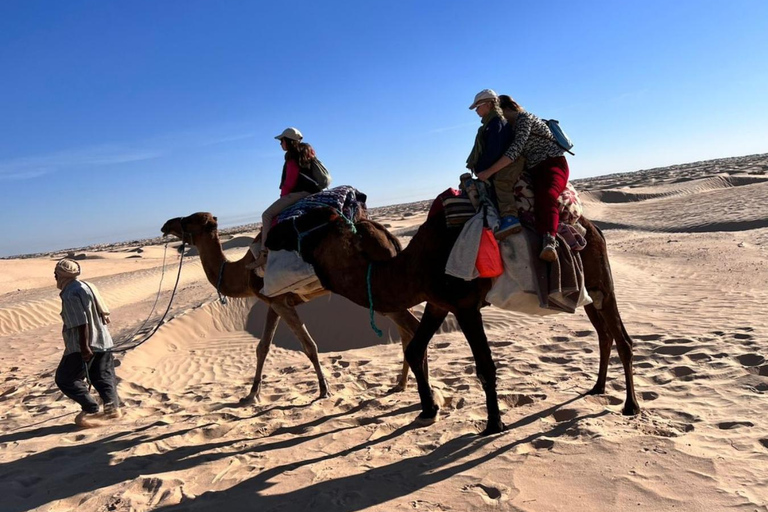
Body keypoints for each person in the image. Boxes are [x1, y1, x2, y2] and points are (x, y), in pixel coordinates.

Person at [477, 94, 570, 262]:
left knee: (547, 195)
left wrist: (488, 172)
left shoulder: (524, 119)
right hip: (533, 169)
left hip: (552, 164)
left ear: (504, 109)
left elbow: (514, 151)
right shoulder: (509, 127)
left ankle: (549, 240)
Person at [54, 258, 120, 427]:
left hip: (82, 345)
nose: (55, 277)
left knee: (65, 378)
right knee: (102, 375)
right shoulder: (87, 285)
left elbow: (80, 322)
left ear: (63, 275)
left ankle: (90, 408)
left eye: (56, 273)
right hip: (103, 340)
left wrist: (84, 347)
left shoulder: (70, 293)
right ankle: (113, 410)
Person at [252, 127, 324, 268]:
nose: (280, 144)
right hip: (313, 192)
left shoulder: (292, 157)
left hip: (298, 194)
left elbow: (289, 182)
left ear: (288, 141)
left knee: (267, 215)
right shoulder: (307, 153)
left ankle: (263, 254)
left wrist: (282, 198)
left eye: (282, 141)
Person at [465, 89, 521, 239]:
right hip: (496, 164)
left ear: (489, 104)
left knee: (500, 184)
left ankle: (510, 218)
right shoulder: (490, 124)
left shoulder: (496, 123)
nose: (476, 110)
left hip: (506, 164)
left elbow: (494, 151)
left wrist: (483, 169)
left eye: (478, 106)